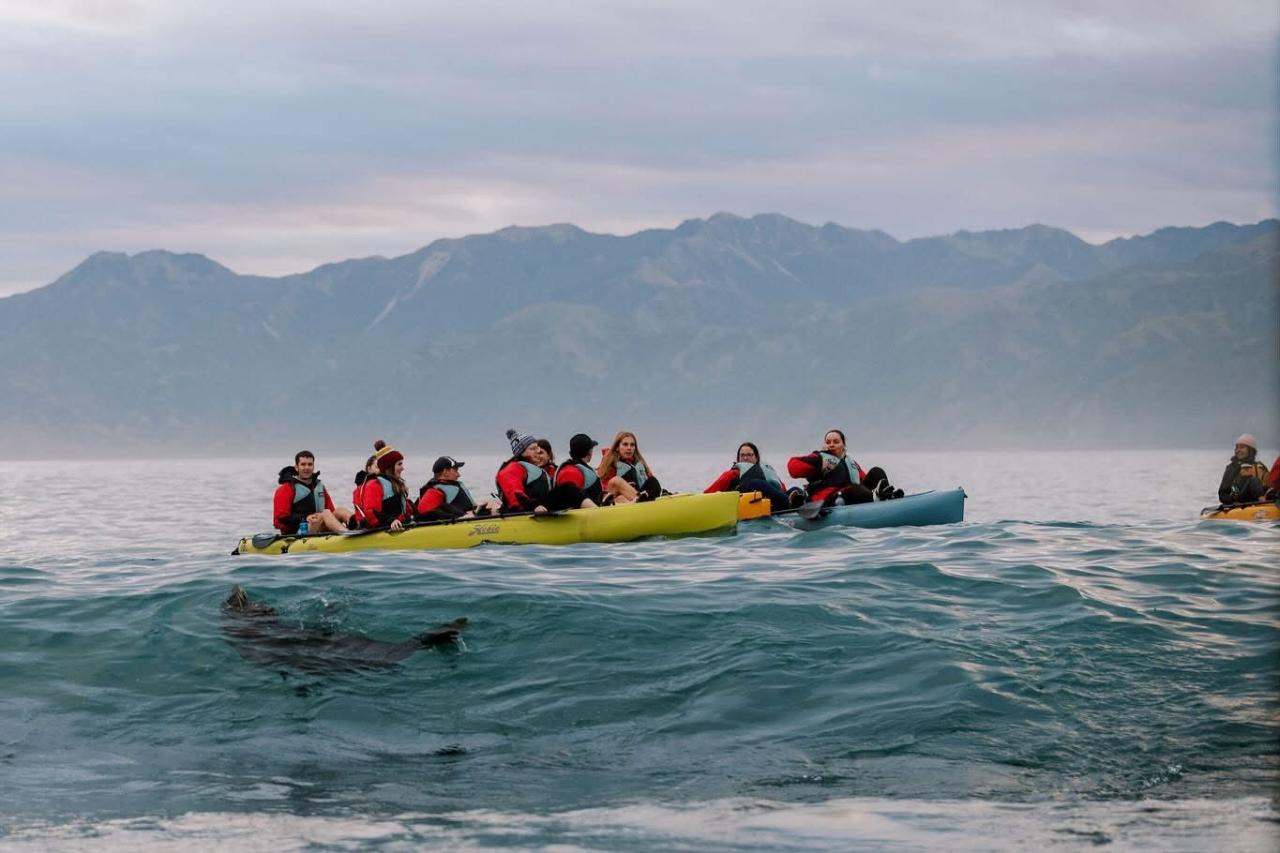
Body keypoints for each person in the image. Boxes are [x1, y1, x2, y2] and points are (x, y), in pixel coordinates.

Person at [787, 429, 901, 507]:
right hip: (831, 498)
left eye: (836, 442)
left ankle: (886, 496)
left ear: (843, 445)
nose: (831, 444)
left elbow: (862, 479)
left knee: (877, 471)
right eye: (828, 442)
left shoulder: (850, 462)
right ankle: (876, 498)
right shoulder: (819, 458)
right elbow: (793, 467)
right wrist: (818, 463)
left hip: (857, 493)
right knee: (854, 489)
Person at [496, 428, 595, 513]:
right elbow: (515, 493)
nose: (538, 451)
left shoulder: (537, 469)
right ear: (522, 453)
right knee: (567, 488)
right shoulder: (513, 468)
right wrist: (533, 506)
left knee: (567, 488)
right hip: (528, 510)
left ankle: (594, 510)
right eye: (533, 448)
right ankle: (596, 513)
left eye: (537, 447)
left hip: (541, 506)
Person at [272, 450, 352, 535]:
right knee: (325, 513)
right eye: (303, 464)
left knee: (340, 510)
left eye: (310, 464)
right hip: (298, 531)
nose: (306, 467)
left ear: (313, 466)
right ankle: (347, 533)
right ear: (296, 467)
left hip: (319, 526)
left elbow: (331, 512)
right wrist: (305, 518)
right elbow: (279, 519)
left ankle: (359, 527)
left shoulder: (320, 487)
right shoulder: (286, 489)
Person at [704, 442, 791, 511]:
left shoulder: (766, 471)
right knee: (756, 483)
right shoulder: (733, 473)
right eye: (742, 455)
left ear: (756, 458)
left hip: (775, 505)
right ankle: (789, 503)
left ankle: (795, 501)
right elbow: (709, 493)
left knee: (795, 489)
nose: (745, 458)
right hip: (746, 505)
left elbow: (782, 489)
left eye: (749, 455)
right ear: (738, 459)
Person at [415, 456, 501, 521]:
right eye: (455, 470)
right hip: (460, 521)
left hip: (469, 516)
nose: (458, 475)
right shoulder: (435, 491)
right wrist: (459, 517)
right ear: (445, 472)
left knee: (493, 504)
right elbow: (424, 514)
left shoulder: (451, 485)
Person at [357, 440, 412, 530]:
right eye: (399, 464)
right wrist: (391, 520)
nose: (402, 468)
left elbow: (406, 511)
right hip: (381, 528)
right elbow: (371, 512)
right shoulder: (374, 485)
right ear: (389, 466)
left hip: (399, 525)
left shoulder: (397, 484)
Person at [597, 431, 663, 503]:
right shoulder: (610, 463)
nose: (629, 448)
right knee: (617, 483)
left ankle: (655, 501)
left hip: (641, 495)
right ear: (617, 447)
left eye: (632, 445)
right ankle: (640, 502)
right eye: (625, 444)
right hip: (618, 498)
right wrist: (624, 487)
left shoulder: (640, 463)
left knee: (652, 481)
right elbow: (605, 488)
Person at [554, 433, 608, 505]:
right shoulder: (571, 472)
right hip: (587, 513)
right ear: (589, 452)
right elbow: (569, 497)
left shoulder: (576, 469)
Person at [1218, 433, 1269, 505]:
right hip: (1241, 498)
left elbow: (1269, 485)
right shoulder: (1233, 467)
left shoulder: (1261, 466)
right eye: (1236, 448)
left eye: (1242, 447)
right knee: (1253, 480)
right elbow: (1223, 494)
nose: (1238, 450)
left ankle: (1265, 501)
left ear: (1251, 450)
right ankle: (1262, 501)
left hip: (1261, 498)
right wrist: (1233, 500)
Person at [350, 454, 377, 528]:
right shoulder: (361, 489)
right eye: (377, 467)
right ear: (369, 469)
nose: (380, 470)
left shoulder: (383, 483)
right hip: (367, 524)